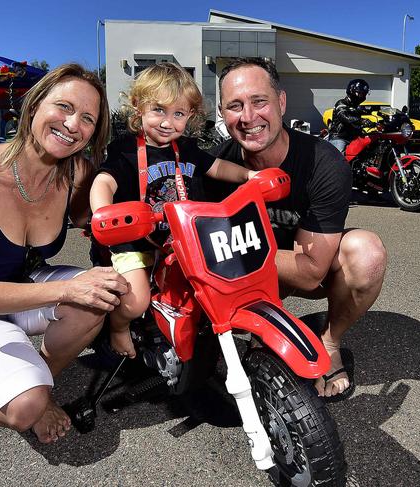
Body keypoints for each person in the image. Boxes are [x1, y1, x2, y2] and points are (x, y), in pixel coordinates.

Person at [0, 64, 128, 443]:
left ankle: (36, 380)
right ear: (33, 106)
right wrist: (67, 291)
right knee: (22, 410)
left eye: (87, 119)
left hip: (23, 290)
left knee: (101, 294)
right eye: (63, 107)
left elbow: (98, 222)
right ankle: (19, 394)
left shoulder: (76, 173)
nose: (71, 124)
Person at [204, 58, 387, 401]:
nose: (248, 117)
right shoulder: (214, 167)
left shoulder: (324, 163)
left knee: (367, 254)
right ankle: (255, 329)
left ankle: (329, 340)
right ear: (222, 113)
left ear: (281, 102)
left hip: (303, 270)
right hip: (247, 277)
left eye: (259, 101)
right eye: (235, 106)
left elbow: (308, 272)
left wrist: (230, 249)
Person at [90, 62, 256, 359]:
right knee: (137, 301)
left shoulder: (188, 149)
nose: (168, 122)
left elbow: (217, 167)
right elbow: (104, 180)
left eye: (178, 114)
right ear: (138, 106)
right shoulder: (125, 149)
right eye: (159, 110)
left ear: (189, 115)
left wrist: (248, 176)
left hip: (182, 241)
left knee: (216, 282)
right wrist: (103, 213)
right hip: (134, 241)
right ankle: (118, 329)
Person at [328, 78, 375, 153]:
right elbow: (344, 116)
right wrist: (362, 121)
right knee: (339, 159)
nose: (362, 96)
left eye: (364, 94)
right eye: (360, 93)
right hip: (340, 137)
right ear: (352, 91)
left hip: (354, 137)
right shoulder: (341, 103)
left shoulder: (358, 107)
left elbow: (370, 112)